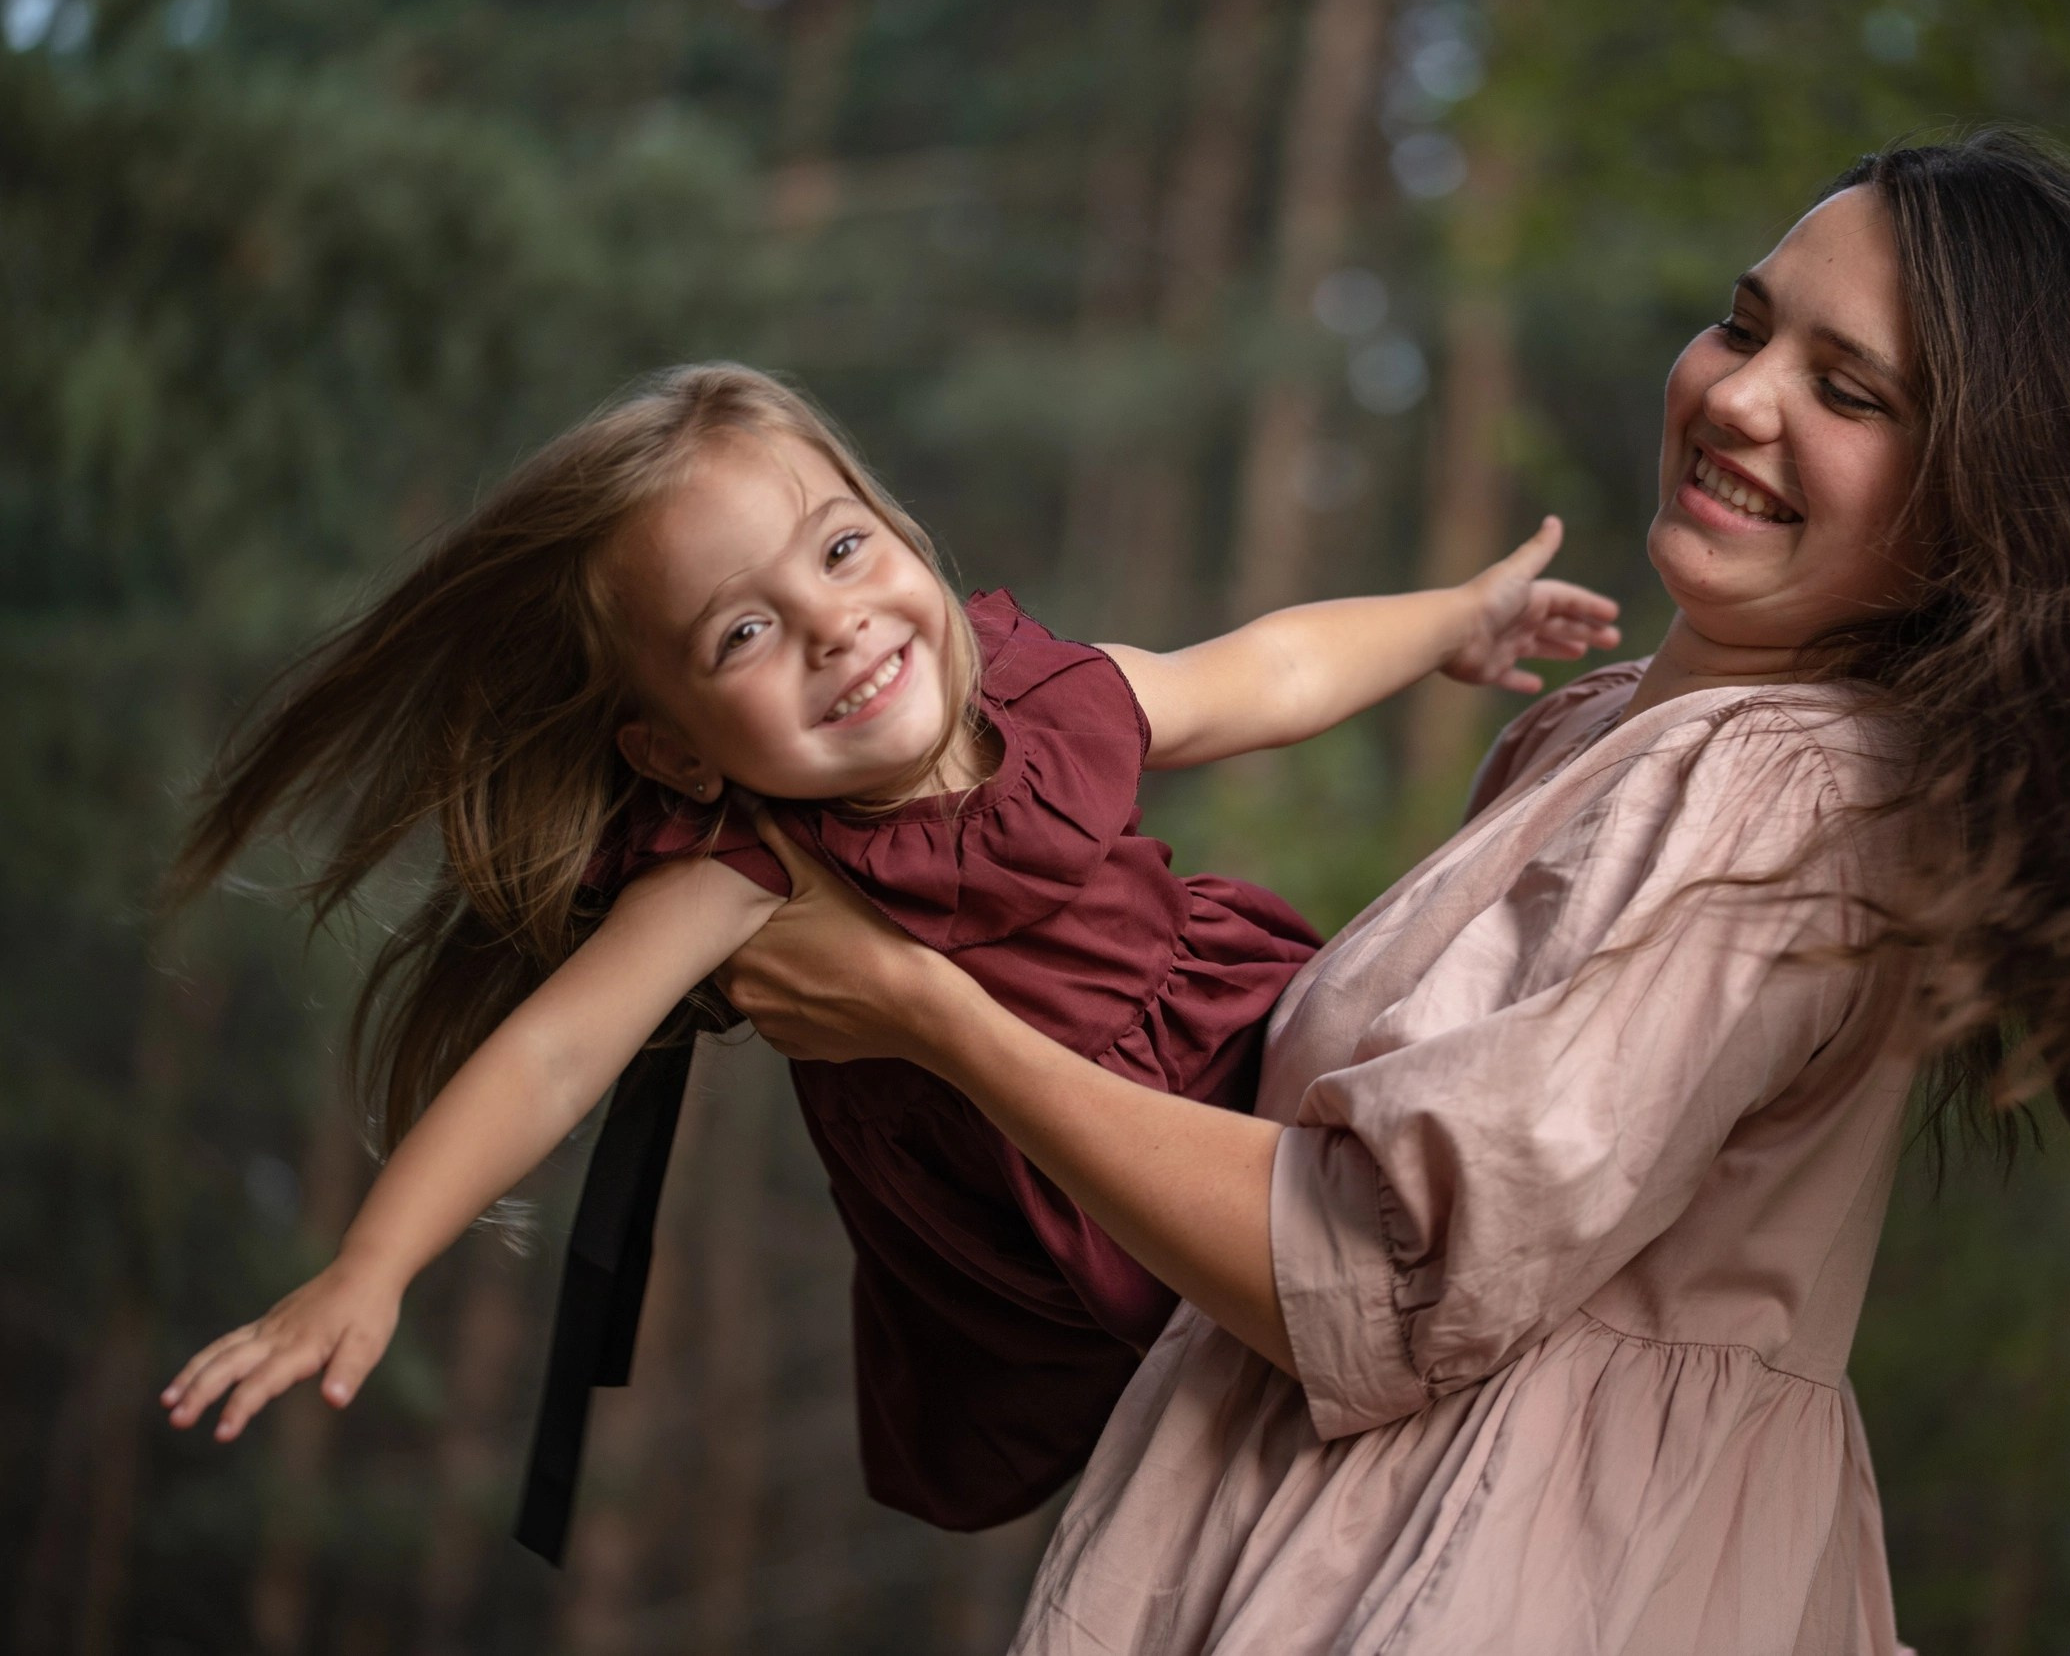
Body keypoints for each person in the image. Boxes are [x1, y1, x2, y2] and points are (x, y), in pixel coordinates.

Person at [708, 131, 2070, 1655]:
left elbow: (1388, 1262)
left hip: (1507, 1583)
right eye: (1744, 325)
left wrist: (931, 1018)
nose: (1739, 397)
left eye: (1848, 391)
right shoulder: (1607, 736)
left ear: (1972, 504)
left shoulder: (1794, 791)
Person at [152, 364, 1623, 1539]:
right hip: (1048, 1214)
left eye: (844, 549)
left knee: (1424, 1227)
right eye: (743, 634)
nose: (838, 627)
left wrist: (1456, 620)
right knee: (1238, 1428)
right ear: (671, 743)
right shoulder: (747, 870)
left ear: (901, 530)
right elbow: (551, 1053)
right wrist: (370, 1264)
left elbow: (1263, 672)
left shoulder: (1041, 702)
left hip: (1238, 1047)